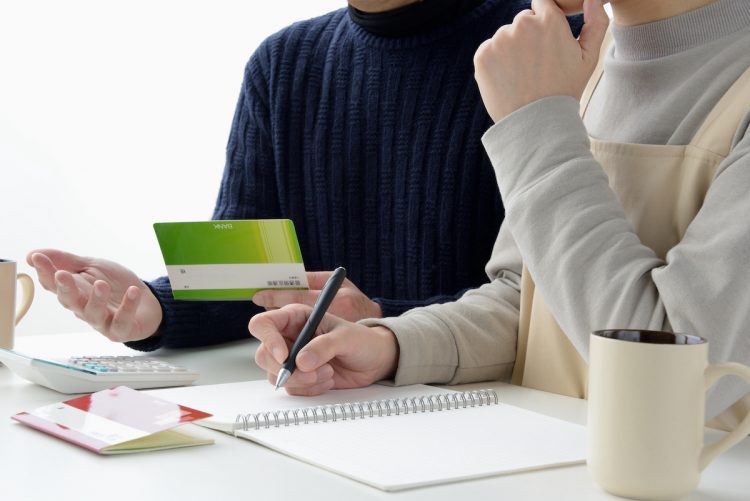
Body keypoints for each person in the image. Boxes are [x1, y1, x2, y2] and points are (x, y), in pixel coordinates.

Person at [250, 0, 750, 429]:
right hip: (551, 472)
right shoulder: (585, 58)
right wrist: (390, 345)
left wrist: (536, 123)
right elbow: (527, 303)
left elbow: (674, 375)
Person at [26, 2, 583, 351]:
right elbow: (253, 273)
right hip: (316, 404)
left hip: (481, 415)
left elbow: (549, 298)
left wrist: (381, 323)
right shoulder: (284, 60)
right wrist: (153, 306)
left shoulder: (539, 52)